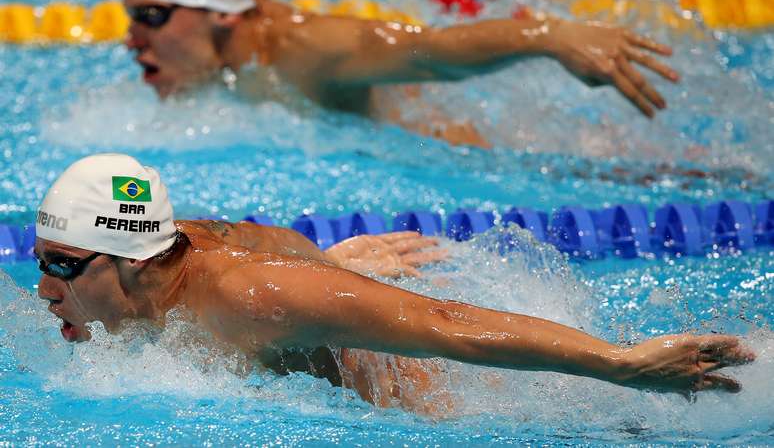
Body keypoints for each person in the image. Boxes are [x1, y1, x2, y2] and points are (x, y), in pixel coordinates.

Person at [35, 154, 755, 412]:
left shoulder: (248, 299)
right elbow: (256, 237)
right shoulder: (170, 242)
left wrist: (621, 366)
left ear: (129, 262)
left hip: (461, 412)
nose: (43, 288)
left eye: (61, 266)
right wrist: (327, 267)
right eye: (41, 260)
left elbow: (444, 322)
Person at [122, 0, 680, 148]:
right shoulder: (225, 26)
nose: (130, 40)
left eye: (150, 16)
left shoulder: (307, 50)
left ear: (221, 13)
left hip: (478, 151)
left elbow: (437, 55)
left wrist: (549, 34)